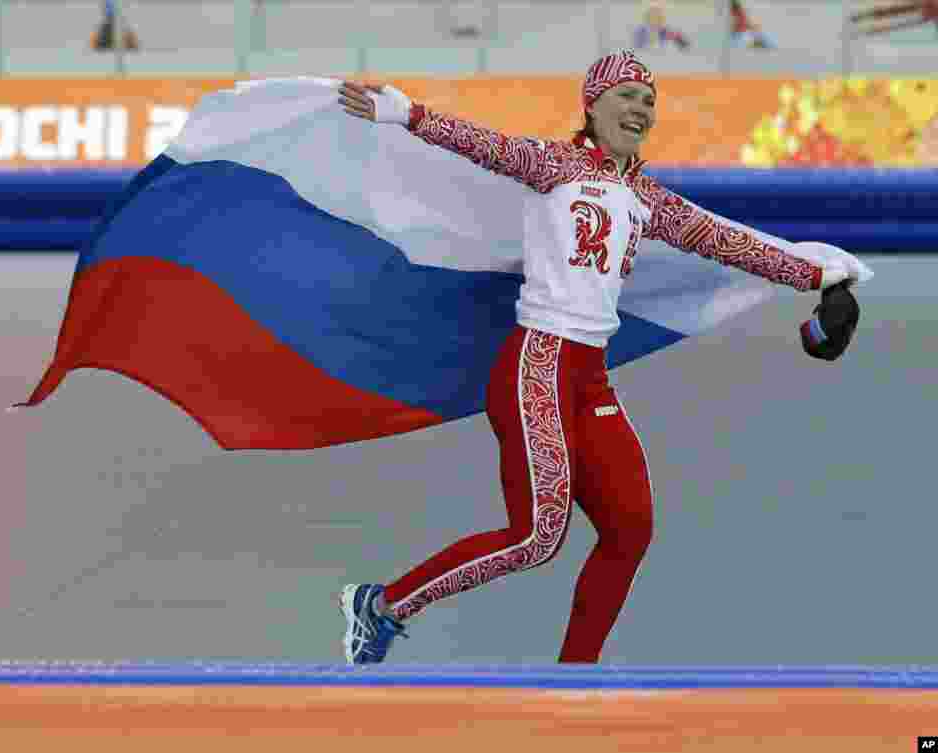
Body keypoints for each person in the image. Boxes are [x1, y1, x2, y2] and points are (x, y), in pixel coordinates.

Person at [335, 50, 866, 664]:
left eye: (649, 101)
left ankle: (574, 676)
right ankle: (383, 605)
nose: (640, 108)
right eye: (626, 96)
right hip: (537, 364)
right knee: (537, 537)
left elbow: (728, 241)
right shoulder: (555, 164)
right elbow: (489, 147)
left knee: (629, 528)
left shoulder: (646, 198)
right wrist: (409, 115)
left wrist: (822, 274)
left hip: (589, 378)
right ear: (591, 105)